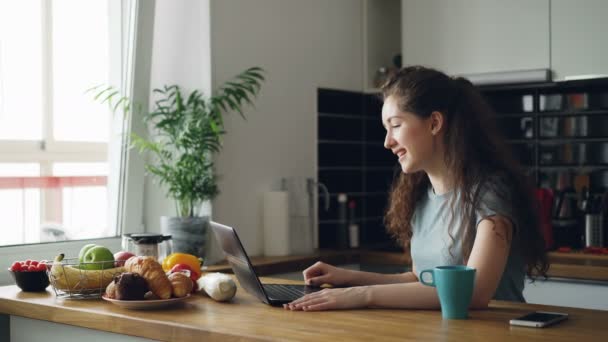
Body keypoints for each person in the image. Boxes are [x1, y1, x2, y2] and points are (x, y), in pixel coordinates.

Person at [285, 66, 548, 312]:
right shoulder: (421, 197)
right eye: (386, 129)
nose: (388, 142)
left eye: (396, 125)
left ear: (434, 123)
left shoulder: (490, 194)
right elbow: (419, 280)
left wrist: (362, 294)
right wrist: (349, 279)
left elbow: (474, 293)